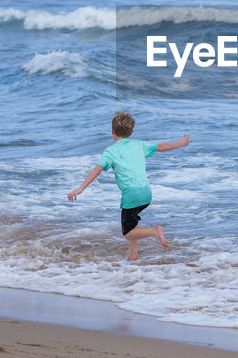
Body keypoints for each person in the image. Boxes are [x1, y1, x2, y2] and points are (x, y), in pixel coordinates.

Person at [67, 110, 190, 261]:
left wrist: (80, 188)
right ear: (131, 132)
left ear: (112, 130)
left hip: (131, 196)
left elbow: (97, 169)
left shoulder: (111, 152)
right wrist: (182, 143)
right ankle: (133, 253)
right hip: (146, 194)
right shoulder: (139, 145)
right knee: (133, 222)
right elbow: (161, 147)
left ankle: (154, 232)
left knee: (128, 233)